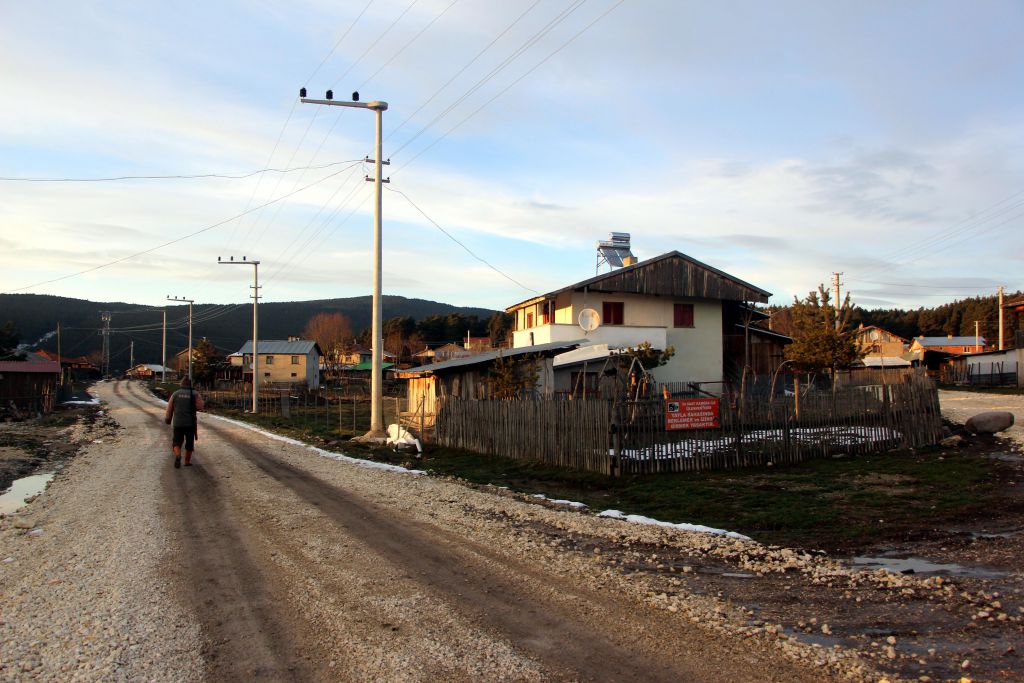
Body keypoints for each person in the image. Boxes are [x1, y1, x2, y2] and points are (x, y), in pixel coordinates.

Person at [164, 377, 204, 468]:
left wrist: (168, 419)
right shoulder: (194, 394)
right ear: (190, 384)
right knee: (189, 443)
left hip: (178, 422)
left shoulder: (175, 394)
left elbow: (169, 408)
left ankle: (178, 454)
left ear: (181, 384)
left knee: (176, 442)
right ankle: (187, 461)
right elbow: (200, 406)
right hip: (190, 423)